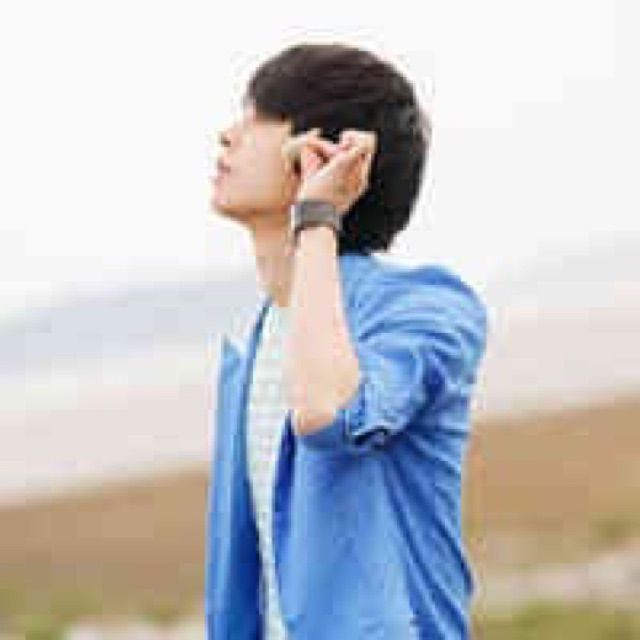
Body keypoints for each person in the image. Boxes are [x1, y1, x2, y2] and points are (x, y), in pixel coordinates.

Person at [205, 42, 489, 640]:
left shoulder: (427, 310)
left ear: (321, 153)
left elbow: (328, 415)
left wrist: (317, 217)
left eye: (258, 117)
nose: (228, 135)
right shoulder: (255, 341)